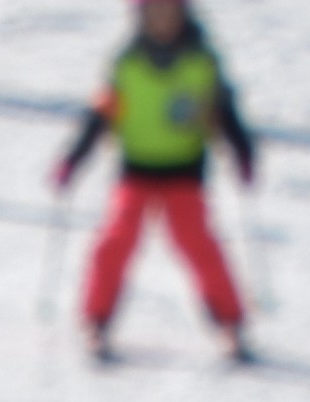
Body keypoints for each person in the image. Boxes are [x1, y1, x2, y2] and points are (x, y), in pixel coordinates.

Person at [55, 0, 259, 363]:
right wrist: (74, 159)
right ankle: (97, 320)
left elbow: (225, 113)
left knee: (196, 240)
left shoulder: (201, 62)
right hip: (137, 169)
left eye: (169, 10)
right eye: (153, 12)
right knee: (116, 237)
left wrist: (242, 152)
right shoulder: (127, 62)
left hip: (184, 169)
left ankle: (230, 322)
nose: (161, 19)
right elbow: (100, 115)